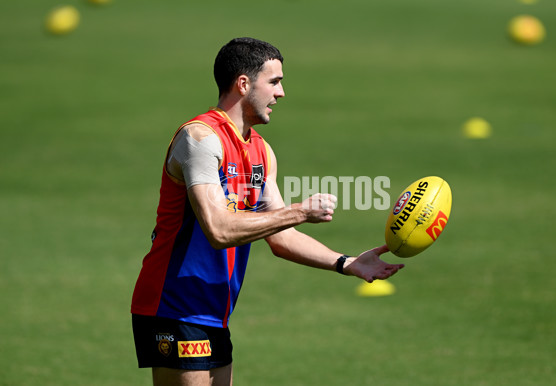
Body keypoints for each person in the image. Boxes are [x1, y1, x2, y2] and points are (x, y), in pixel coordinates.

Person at [131, 37, 404, 386]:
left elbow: (280, 238)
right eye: (274, 82)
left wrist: (346, 262)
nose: (281, 93)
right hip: (174, 304)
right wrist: (299, 211)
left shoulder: (261, 151)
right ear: (243, 84)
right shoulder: (199, 139)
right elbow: (218, 230)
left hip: (215, 312)